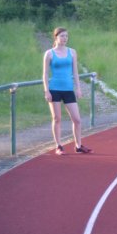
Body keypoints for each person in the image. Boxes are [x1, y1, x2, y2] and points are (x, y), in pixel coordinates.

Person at [42, 27, 92, 155]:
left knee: (77, 119)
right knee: (57, 118)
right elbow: (45, 74)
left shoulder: (72, 52)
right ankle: (58, 146)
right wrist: (46, 91)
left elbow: (75, 72)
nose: (65, 38)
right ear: (56, 37)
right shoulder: (49, 53)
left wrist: (78, 88)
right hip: (54, 89)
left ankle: (78, 146)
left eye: (66, 36)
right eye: (62, 36)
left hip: (68, 89)